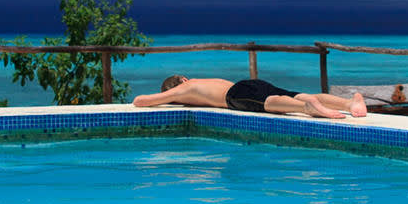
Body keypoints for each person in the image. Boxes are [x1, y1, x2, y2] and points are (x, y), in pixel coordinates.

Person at [133, 73, 369, 120]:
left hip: (235, 95)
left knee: (269, 104)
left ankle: (308, 107)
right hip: (248, 83)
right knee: (293, 93)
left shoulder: (185, 88)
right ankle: (350, 102)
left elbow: (142, 101)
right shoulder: (203, 80)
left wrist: (168, 97)